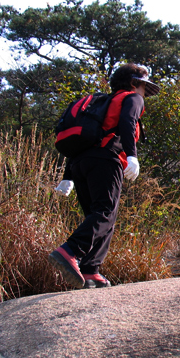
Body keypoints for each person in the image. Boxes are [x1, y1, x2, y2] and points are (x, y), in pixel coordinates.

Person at [48, 63, 159, 289]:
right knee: (106, 212)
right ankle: (70, 251)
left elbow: (85, 139)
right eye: (143, 86)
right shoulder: (133, 99)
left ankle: (90, 270)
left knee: (99, 216)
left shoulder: (101, 104)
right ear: (133, 83)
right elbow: (128, 123)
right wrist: (132, 156)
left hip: (80, 163)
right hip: (105, 160)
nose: (145, 92)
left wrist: (67, 175)